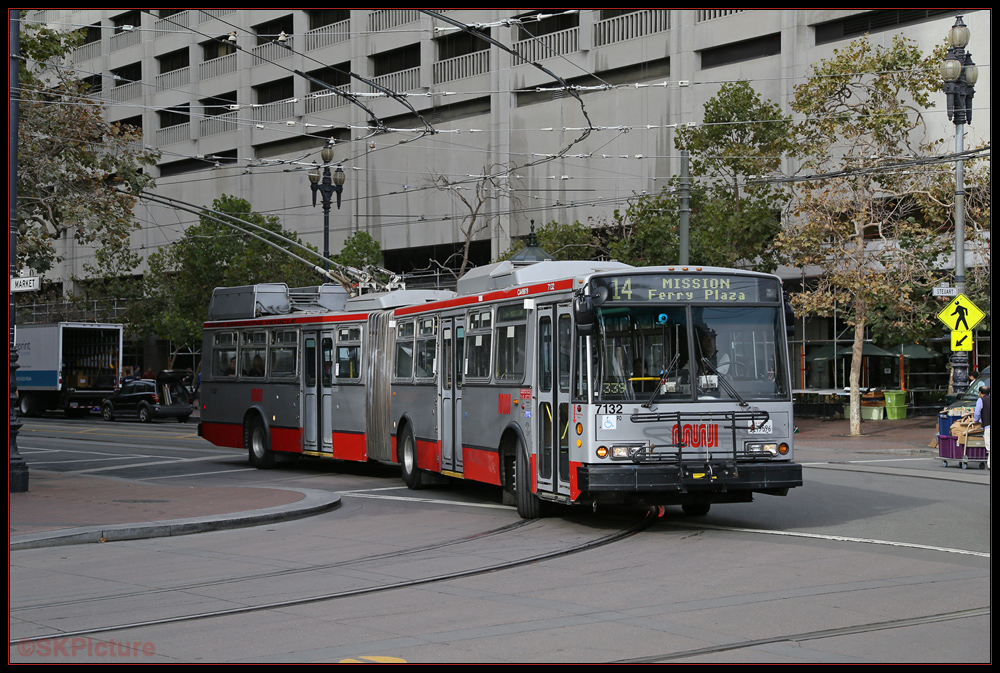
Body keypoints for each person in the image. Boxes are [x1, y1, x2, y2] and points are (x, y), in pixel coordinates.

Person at [973, 385, 990, 470]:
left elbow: (977, 413)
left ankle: (990, 464)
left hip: (988, 425)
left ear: (980, 393)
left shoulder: (981, 400)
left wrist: (976, 420)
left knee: (989, 445)